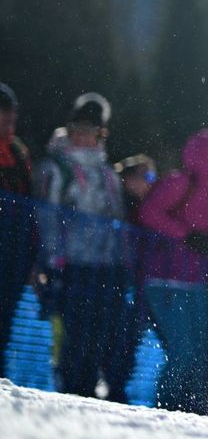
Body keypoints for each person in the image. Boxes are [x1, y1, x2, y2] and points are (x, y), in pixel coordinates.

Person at [33, 93, 135, 400]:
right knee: (75, 332)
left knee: (107, 331)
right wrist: (52, 262)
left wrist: (124, 260)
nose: (84, 136)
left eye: (91, 130)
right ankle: (74, 386)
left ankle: (98, 387)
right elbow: (47, 217)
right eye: (78, 128)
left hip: (107, 266)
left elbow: (117, 218)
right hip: (73, 264)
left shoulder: (106, 172)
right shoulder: (56, 167)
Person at [139, 128, 208, 412]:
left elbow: (206, 240)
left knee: (198, 353)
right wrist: (185, 234)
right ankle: (165, 408)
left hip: (196, 282)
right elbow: (149, 213)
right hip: (166, 279)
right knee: (182, 353)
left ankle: (190, 410)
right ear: (205, 154)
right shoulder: (181, 182)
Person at [0, 82, 34, 369]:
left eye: (11, 112)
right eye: (3, 112)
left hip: (14, 248)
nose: (9, 118)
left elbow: (31, 201)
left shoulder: (18, 151)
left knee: (6, 313)